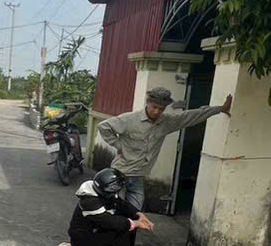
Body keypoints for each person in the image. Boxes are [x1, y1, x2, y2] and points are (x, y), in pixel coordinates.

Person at [98, 87, 233, 211]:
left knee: (134, 213)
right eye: (154, 107)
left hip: (138, 176)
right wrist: (119, 145)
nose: (157, 111)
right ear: (148, 103)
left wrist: (220, 109)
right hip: (119, 173)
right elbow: (104, 126)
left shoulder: (166, 122)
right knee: (114, 211)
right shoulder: (129, 119)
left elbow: (191, 116)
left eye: (161, 109)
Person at [69, 167, 155, 246]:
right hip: (83, 244)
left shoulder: (103, 192)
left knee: (130, 224)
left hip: (95, 233)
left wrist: (139, 215)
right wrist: (136, 223)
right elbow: (111, 222)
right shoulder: (89, 202)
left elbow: (122, 204)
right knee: (122, 230)